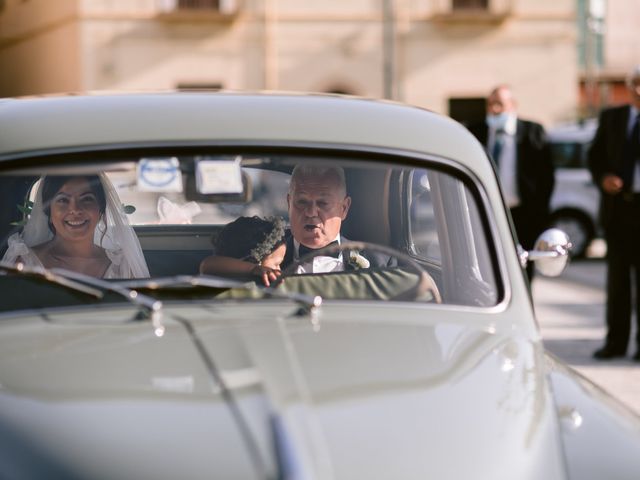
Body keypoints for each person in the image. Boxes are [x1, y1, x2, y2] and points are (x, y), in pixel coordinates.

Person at [467, 85, 554, 281]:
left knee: (522, 270)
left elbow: (546, 177)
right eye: (490, 104)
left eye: (500, 104)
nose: (495, 109)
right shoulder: (476, 132)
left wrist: (539, 213)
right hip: (485, 212)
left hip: (522, 214)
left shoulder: (533, 132)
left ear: (513, 105)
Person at [2, 174, 149, 279]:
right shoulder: (24, 263)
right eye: (63, 200)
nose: (75, 209)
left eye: (86, 199)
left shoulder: (122, 265)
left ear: (100, 210)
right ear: (49, 212)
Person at [588, 65, 640, 360]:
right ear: (629, 86)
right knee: (618, 284)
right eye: (636, 84)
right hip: (619, 211)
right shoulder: (613, 118)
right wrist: (603, 178)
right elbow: (594, 156)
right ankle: (615, 343)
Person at [283, 164, 394, 273]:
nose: (311, 212)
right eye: (302, 202)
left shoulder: (380, 264)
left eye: (323, 203)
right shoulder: (267, 255)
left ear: (344, 208)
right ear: (289, 204)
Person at [199, 215, 289, 286]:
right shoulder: (217, 274)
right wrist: (253, 269)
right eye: (277, 264)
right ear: (254, 260)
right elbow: (207, 264)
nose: (280, 270)